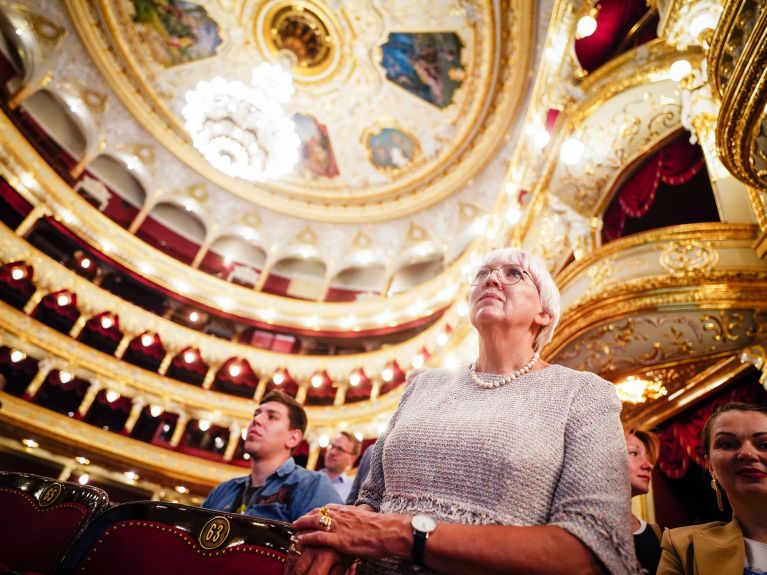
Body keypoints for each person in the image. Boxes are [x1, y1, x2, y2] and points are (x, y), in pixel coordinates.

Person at [287, 247, 640, 575]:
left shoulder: (583, 393)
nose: (492, 278)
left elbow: (593, 550)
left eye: (514, 273)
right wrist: (333, 537)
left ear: (544, 313)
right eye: (483, 272)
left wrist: (399, 534)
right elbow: (372, 500)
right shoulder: (423, 386)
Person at [657, 402, 767, 575]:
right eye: (728, 444)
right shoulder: (685, 547)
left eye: (764, 445)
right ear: (711, 467)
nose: (747, 453)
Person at [202, 391, 342, 522]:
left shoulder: (312, 486)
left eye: (272, 417)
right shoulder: (222, 491)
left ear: (293, 438)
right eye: (256, 414)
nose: (256, 420)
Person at [625, 427, 663, 573]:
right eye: (634, 453)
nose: (649, 465)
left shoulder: (662, 536)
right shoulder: (584, 531)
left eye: (648, 457)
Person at [320, 432, 361, 502]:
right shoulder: (308, 479)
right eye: (331, 446)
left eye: (340, 449)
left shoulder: (354, 490)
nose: (332, 452)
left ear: (352, 459)